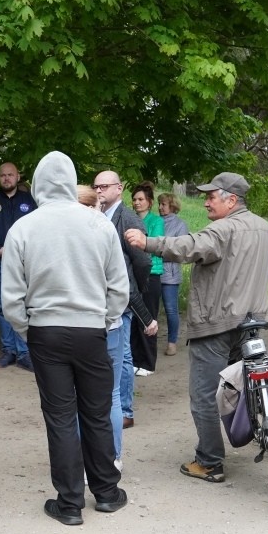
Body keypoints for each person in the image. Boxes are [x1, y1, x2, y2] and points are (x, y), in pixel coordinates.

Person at [125, 172, 268, 483]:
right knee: (245, 384)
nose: (206, 201)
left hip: (216, 323)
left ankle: (210, 461)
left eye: (212, 196)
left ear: (232, 200)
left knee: (203, 394)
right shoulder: (266, 228)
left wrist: (148, 243)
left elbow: (189, 247)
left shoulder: (222, 229)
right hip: (252, 322)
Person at [3, 151, 131, 526]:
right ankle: (107, 492)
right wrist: (103, 321)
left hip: (45, 331)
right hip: (91, 328)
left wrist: (29, 332)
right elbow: (118, 288)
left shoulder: (23, 228)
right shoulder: (98, 224)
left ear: (39, 184)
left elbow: (11, 297)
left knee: (59, 417)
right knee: (96, 412)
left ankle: (70, 502)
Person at [94, 170, 155, 429]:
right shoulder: (98, 216)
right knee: (116, 353)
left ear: (119, 188)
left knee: (125, 354)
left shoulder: (127, 217)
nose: (99, 191)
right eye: (96, 186)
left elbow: (142, 261)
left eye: (104, 186)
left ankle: (125, 410)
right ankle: (116, 407)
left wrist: (135, 292)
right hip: (105, 299)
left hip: (125, 298)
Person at [78, 183, 126, 470]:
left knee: (76, 397)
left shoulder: (63, 239)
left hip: (80, 325)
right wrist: (110, 319)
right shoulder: (106, 233)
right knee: (112, 394)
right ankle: (113, 458)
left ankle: (84, 461)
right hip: (108, 325)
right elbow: (121, 285)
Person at [0, 162, 37, 371]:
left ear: (18, 176)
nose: (6, 178)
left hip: (26, 261)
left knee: (25, 303)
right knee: (3, 305)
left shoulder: (31, 202)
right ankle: (9, 350)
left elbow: (38, 230)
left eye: (10, 175)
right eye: (2, 175)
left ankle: (25, 352)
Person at [130, 182, 164, 376]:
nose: (137, 203)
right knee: (135, 318)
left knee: (148, 317)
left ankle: (148, 362)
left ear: (149, 202)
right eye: (134, 199)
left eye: (141, 199)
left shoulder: (156, 221)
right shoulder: (131, 218)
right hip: (135, 273)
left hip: (152, 273)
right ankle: (135, 358)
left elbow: (154, 245)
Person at [156, 192, 189, 357]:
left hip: (170, 274)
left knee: (171, 309)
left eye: (164, 204)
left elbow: (181, 250)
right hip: (153, 272)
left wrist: (159, 249)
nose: (160, 207)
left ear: (172, 205)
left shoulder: (180, 225)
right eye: (159, 204)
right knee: (151, 309)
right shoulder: (155, 221)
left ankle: (172, 342)